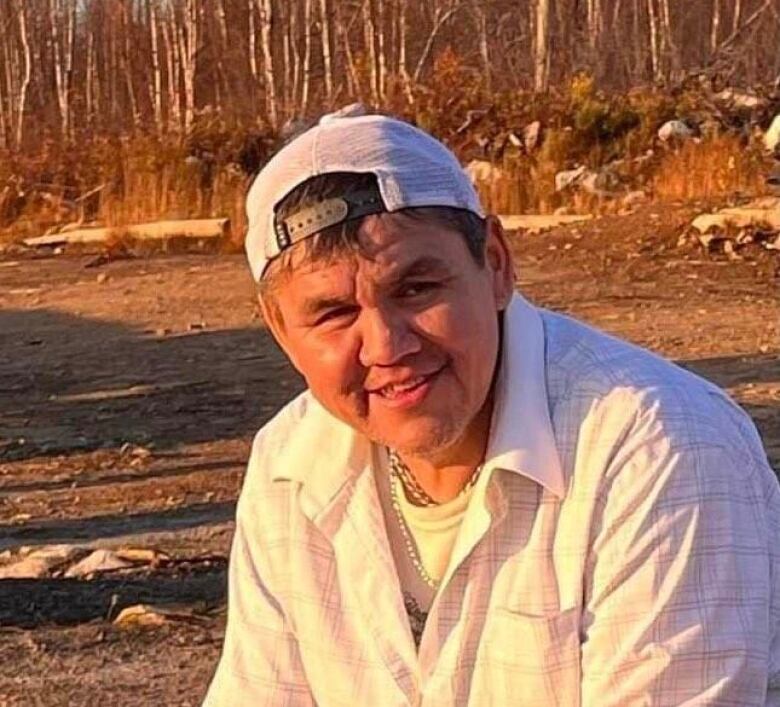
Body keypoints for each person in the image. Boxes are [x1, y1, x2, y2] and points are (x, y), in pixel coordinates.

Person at [204, 105, 780, 706]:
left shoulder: (659, 446)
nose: (386, 345)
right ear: (279, 329)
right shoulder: (288, 468)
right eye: (333, 314)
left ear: (497, 264)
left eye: (417, 289)